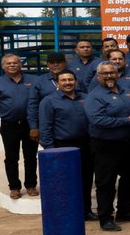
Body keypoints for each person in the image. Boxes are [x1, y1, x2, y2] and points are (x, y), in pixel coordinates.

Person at [85, 62, 130, 231]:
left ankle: (124, 211)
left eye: (112, 72)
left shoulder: (127, 91)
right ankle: (105, 218)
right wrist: (126, 121)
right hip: (106, 145)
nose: (109, 76)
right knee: (106, 182)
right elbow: (97, 119)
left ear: (118, 74)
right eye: (105, 74)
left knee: (129, 178)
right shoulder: (95, 96)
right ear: (98, 76)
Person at [37, 69, 94, 219]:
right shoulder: (48, 101)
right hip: (62, 146)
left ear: (76, 81)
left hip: (85, 144)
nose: (68, 83)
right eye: (63, 80)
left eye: (70, 80)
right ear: (57, 83)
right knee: (64, 182)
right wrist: (50, 151)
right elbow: (45, 128)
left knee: (86, 180)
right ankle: (67, 214)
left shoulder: (86, 98)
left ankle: (86, 211)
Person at [0, 53, 38, 200]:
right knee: (11, 158)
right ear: (3, 66)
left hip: (30, 125)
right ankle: (14, 187)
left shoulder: (33, 80)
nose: (12, 65)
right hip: (9, 125)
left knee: (31, 156)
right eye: (9, 63)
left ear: (20, 64)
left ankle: (31, 185)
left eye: (15, 63)